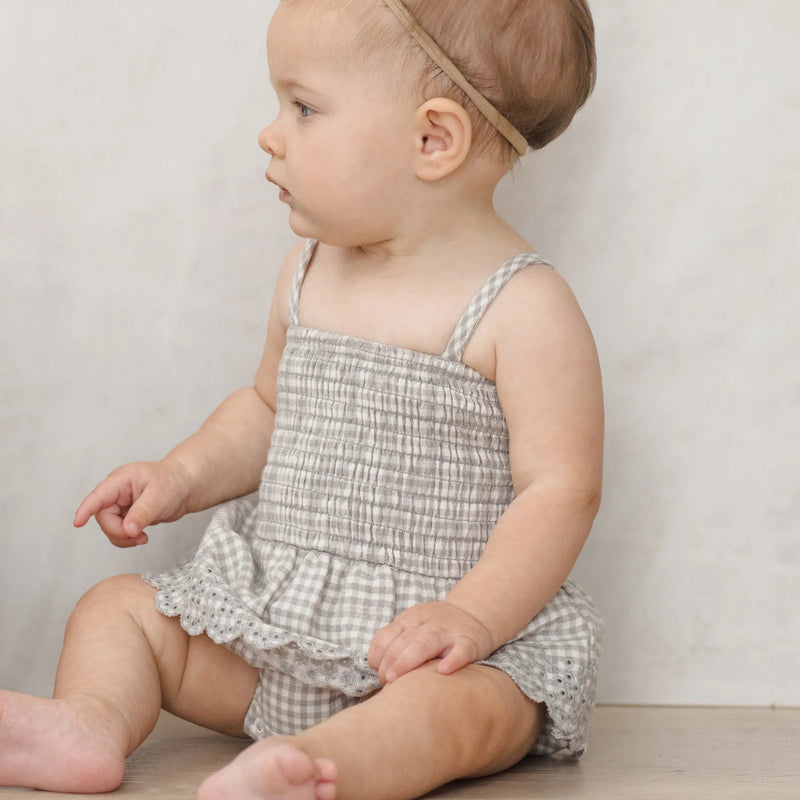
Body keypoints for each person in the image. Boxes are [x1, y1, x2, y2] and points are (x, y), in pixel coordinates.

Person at [0, 0, 604, 798]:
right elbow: (267, 408)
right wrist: (180, 476)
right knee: (119, 609)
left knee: (456, 714)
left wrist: (472, 619)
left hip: (438, 648)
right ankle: (89, 723)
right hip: (278, 633)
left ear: (433, 138)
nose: (270, 132)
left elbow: (561, 488)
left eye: (304, 107)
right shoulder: (310, 272)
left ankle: (320, 771)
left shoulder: (522, 308)